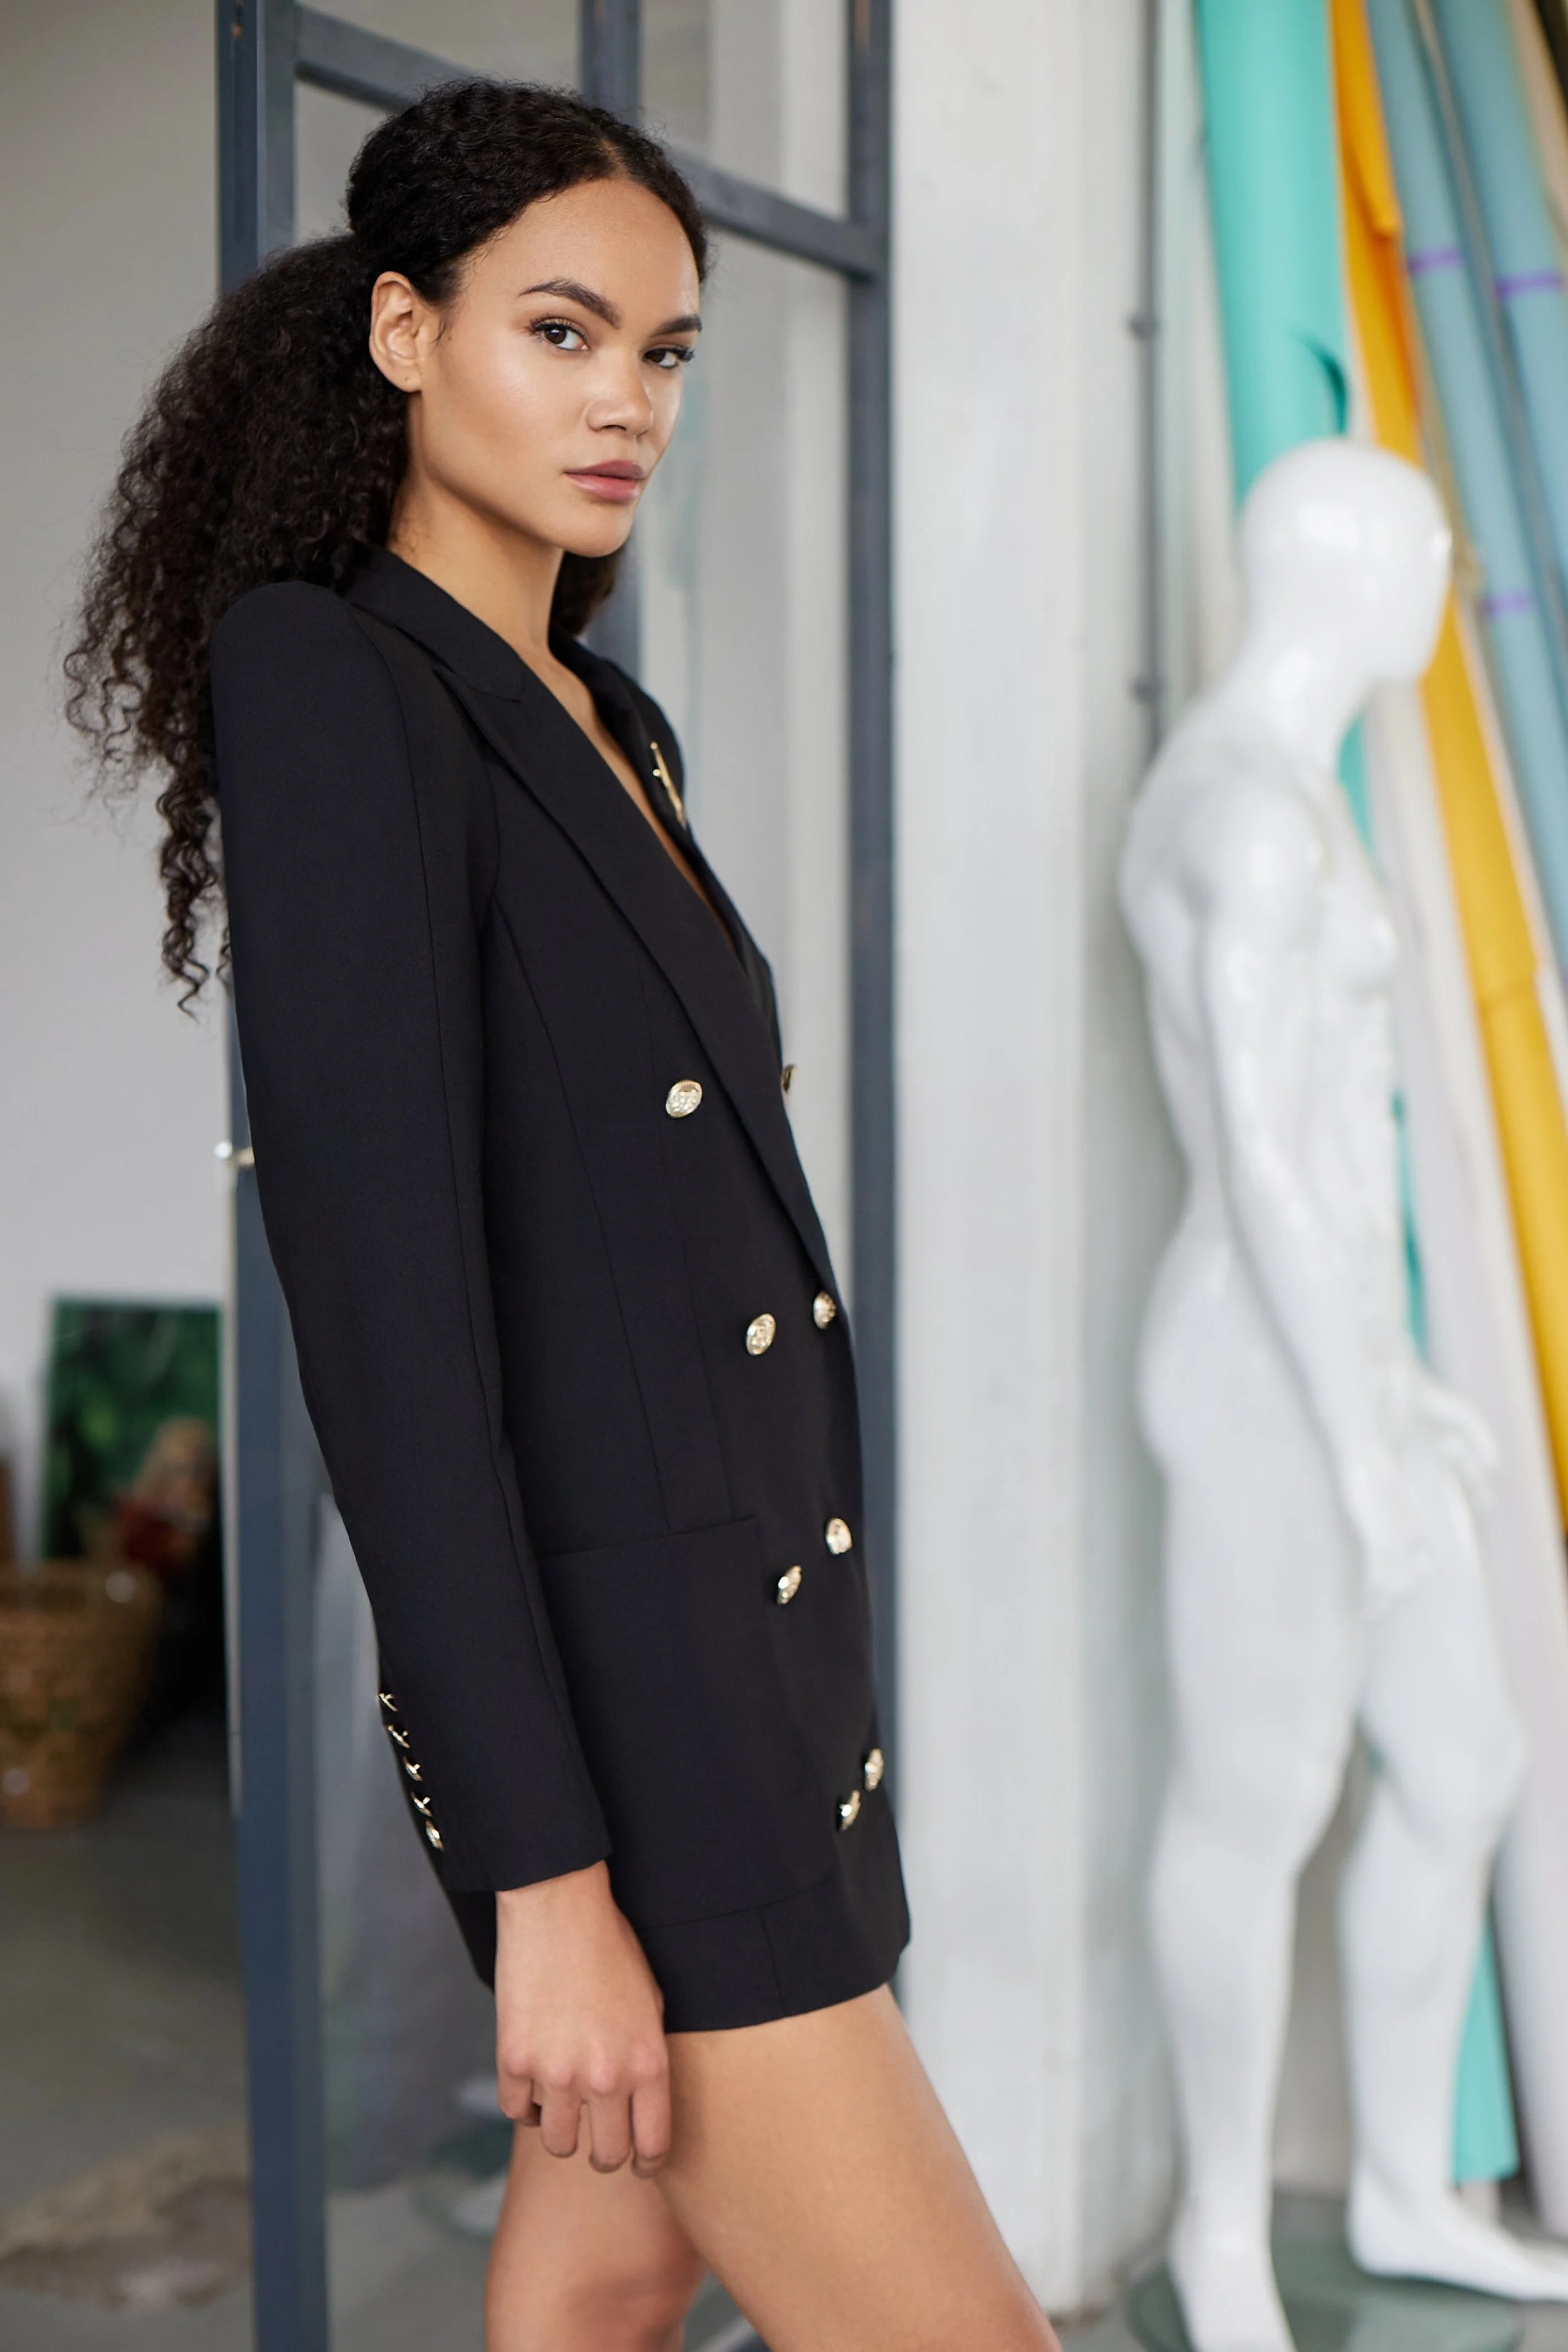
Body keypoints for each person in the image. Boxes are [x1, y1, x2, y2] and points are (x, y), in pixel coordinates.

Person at [68, 80, 1059, 2352]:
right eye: (561, 329)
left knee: (605, 2275)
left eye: (667, 351)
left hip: (757, 1672)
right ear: (406, 336)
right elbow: (391, 1320)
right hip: (640, 1747)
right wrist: (547, 1879)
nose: (625, 398)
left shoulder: (604, 712)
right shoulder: (337, 681)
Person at [1121, 439, 1568, 2352]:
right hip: (1251, 1370)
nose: (1437, 575)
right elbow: (1265, 1164)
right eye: (1414, 547)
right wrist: (1350, 1421)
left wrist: (1399, 1393)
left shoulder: (1298, 796)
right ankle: (1220, 2229)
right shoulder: (1234, 817)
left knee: (1460, 1755)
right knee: (1254, 1795)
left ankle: (1395, 2183)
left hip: (1340, 1364)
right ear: (1334, 565)